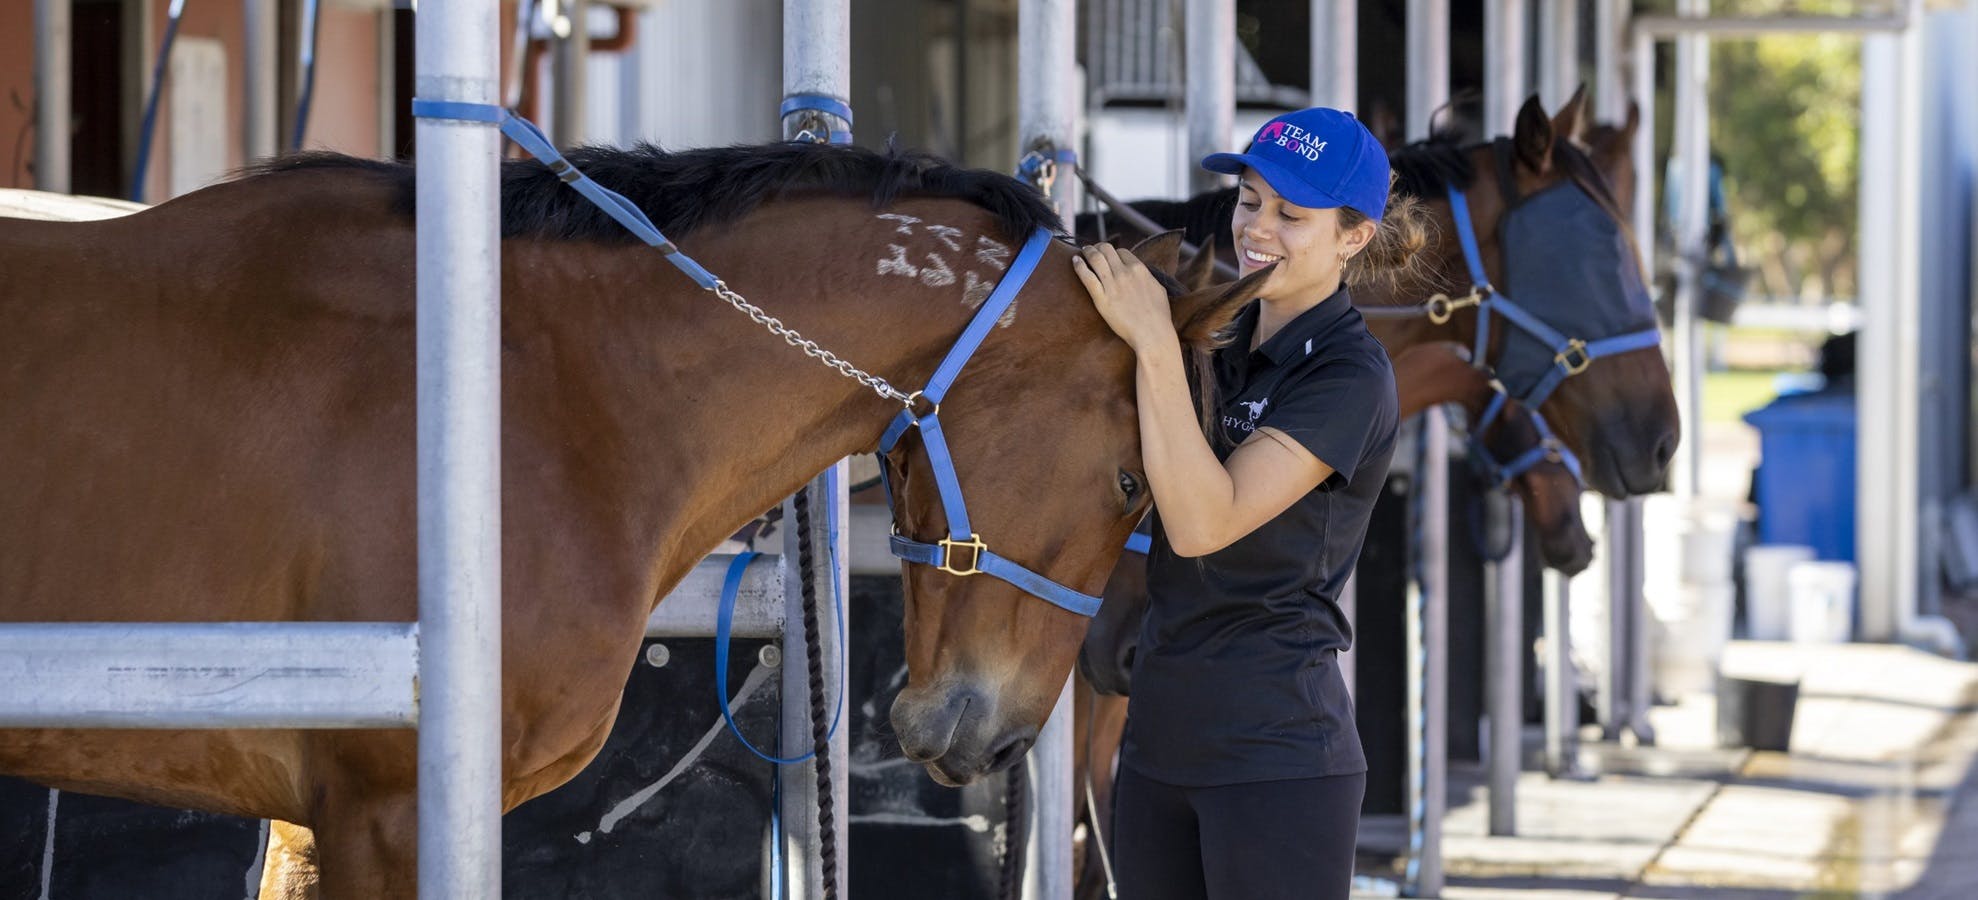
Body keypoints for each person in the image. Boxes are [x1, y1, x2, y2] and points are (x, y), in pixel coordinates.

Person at [1071, 107, 1428, 900]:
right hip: (1159, 746)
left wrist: (1155, 344)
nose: (1257, 228)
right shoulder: (1218, 340)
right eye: (1249, 200)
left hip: (1275, 761)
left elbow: (1204, 522)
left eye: (1292, 214)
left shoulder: (1350, 376)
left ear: (1354, 236)